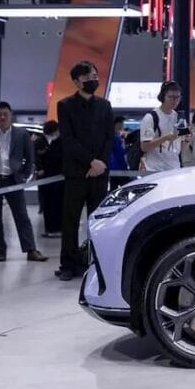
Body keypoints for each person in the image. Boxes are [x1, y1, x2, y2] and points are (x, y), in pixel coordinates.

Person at [56, 61, 114, 281]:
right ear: (76, 82)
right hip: (76, 172)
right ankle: (68, 264)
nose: (93, 80)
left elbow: (109, 138)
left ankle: (96, 262)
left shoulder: (105, 106)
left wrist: (100, 163)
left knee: (98, 221)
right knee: (70, 221)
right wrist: (91, 161)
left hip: (99, 173)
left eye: (95, 76)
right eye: (88, 78)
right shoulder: (65, 105)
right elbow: (68, 139)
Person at [0, 102, 47, 263]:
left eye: (5, 114)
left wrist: (25, 175)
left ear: (10, 114)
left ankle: (31, 250)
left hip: (14, 180)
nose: (2, 117)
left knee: (22, 216)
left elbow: (30, 157)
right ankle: (1, 251)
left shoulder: (22, 134)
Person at [139, 82, 191, 173]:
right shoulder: (151, 117)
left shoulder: (179, 117)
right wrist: (165, 138)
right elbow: (144, 147)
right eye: (171, 97)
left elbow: (181, 150)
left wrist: (187, 140)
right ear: (162, 96)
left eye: (177, 97)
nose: (174, 101)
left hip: (174, 169)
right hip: (154, 170)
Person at [36, 120, 64, 239]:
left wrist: (46, 153)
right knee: (47, 205)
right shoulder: (41, 141)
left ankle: (59, 229)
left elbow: (61, 158)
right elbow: (37, 155)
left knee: (58, 205)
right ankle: (49, 229)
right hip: (46, 179)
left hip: (59, 179)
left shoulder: (62, 142)